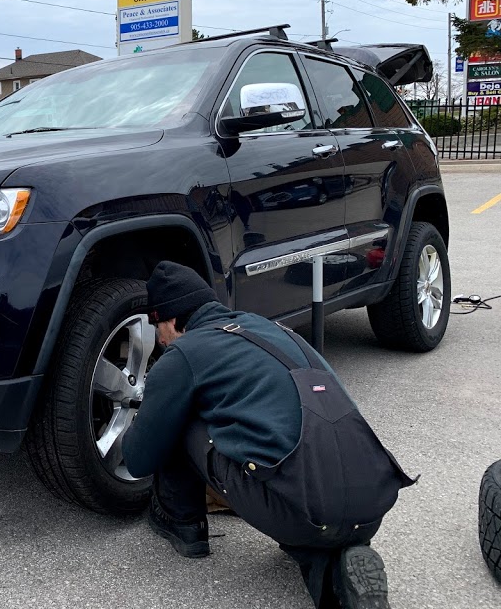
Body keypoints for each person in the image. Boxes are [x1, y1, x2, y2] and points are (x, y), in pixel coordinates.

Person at [122, 261, 415, 609]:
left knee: (180, 416)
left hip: (304, 510)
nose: (160, 340)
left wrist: (154, 406)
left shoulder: (185, 353)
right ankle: (337, 570)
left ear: (170, 320)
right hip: (371, 501)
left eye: (159, 330)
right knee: (312, 510)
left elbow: (139, 459)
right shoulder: (271, 329)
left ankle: (182, 524)